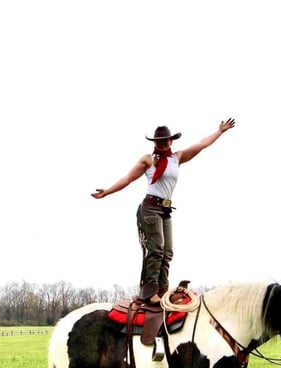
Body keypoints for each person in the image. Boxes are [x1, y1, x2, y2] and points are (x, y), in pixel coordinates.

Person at [92, 118, 236, 304]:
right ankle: (148, 292)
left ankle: (162, 291)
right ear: (154, 142)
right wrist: (107, 191)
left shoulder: (177, 158)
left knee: (167, 252)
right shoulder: (148, 160)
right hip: (150, 208)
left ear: (171, 141)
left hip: (165, 210)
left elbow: (201, 145)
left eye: (166, 140)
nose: (163, 143)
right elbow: (128, 178)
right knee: (156, 250)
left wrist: (220, 131)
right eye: (159, 141)